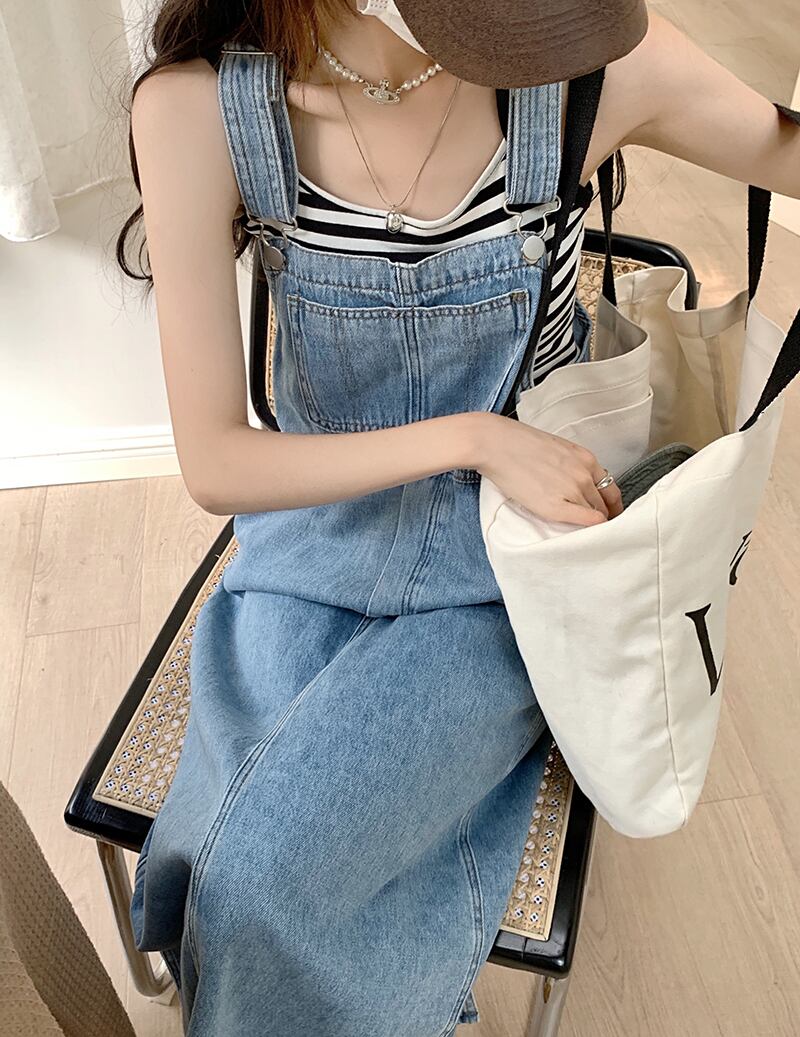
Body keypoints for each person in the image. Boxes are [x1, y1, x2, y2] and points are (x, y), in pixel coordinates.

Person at [120, 2, 800, 1034]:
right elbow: (216, 461)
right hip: (312, 547)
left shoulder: (587, 70)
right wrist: (475, 438)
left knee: (254, 880)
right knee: (232, 867)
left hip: (508, 572)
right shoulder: (201, 107)